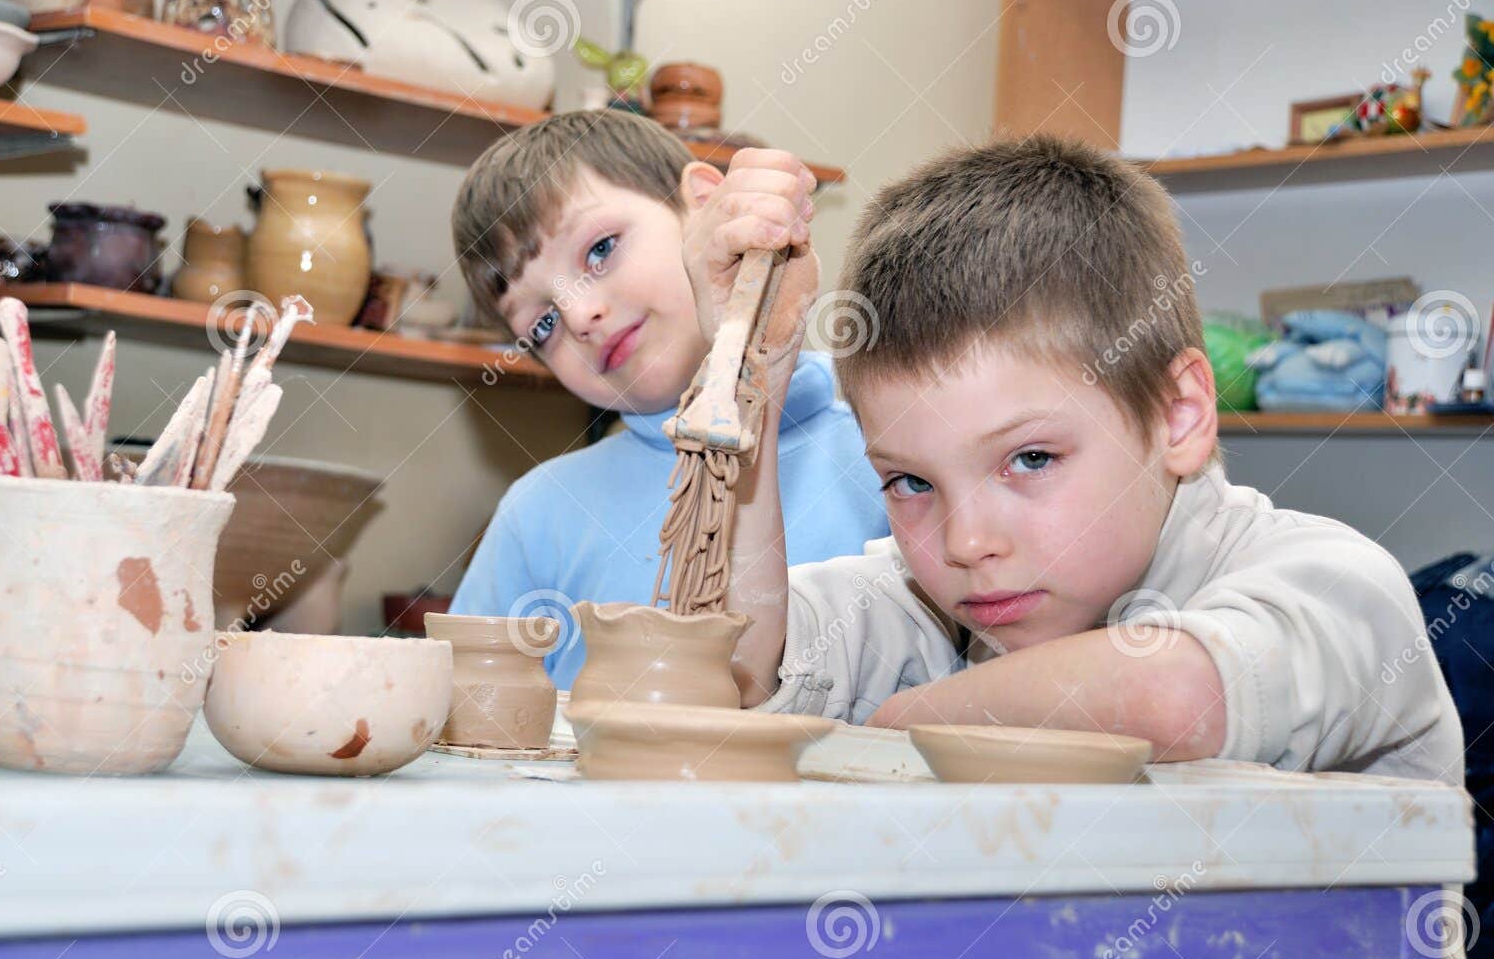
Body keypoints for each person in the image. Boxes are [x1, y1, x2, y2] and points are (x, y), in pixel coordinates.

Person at [721, 134, 1464, 801]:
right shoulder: (928, 606)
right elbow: (730, 659)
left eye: (1031, 458)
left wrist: (899, 725)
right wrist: (747, 380)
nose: (965, 541)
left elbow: (1173, 698)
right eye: (910, 482)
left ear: (1179, 415)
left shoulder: (1338, 582)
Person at [448, 110, 887, 688]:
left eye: (601, 249)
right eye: (543, 323)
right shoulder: (538, 515)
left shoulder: (888, 429)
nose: (580, 315)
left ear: (707, 206)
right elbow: (465, 723)